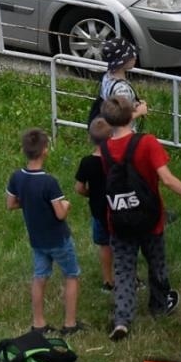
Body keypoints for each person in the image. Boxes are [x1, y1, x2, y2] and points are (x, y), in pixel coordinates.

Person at [100, 95, 181, 341]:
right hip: (150, 217)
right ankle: (159, 304)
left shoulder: (105, 148)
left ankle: (122, 319)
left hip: (119, 218)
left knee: (124, 269)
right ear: (131, 115)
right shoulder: (147, 143)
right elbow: (167, 179)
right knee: (156, 263)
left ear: (107, 120)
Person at [6, 128, 81, 333]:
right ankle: (70, 324)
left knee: (39, 277)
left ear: (24, 150)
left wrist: (30, 203)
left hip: (37, 240)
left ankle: (38, 323)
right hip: (58, 239)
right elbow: (60, 214)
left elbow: (11, 204)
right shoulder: (49, 182)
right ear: (45, 151)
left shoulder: (17, 177)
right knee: (71, 275)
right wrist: (66, 205)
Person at [74, 118, 115, 295]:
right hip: (119, 209)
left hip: (98, 211)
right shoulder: (117, 159)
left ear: (90, 138)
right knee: (124, 245)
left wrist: (91, 194)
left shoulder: (87, 162)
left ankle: (108, 281)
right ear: (112, 136)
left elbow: (79, 188)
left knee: (104, 245)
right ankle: (130, 278)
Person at [88, 38, 148, 126]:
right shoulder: (121, 89)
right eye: (132, 55)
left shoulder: (107, 76)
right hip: (123, 132)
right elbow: (119, 119)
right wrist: (140, 111)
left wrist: (132, 103)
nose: (135, 57)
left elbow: (115, 107)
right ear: (123, 61)